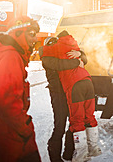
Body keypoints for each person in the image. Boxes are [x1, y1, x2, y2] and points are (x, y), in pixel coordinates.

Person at [0, 16, 41, 162]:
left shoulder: (10, 55)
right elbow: (5, 101)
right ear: (18, 33)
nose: (35, 39)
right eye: (31, 34)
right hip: (8, 132)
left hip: (6, 130)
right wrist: (25, 126)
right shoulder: (10, 57)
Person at [41, 30, 101, 162]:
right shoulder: (47, 58)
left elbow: (84, 59)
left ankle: (68, 153)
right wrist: (76, 61)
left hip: (71, 92)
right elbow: (60, 65)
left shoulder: (59, 53)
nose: (54, 46)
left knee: (74, 123)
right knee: (60, 126)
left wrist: (79, 54)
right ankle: (54, 157)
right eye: (51, 44)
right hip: (58, 95)